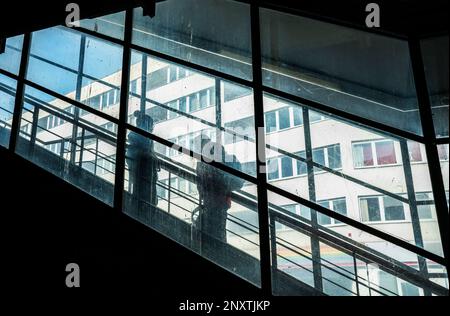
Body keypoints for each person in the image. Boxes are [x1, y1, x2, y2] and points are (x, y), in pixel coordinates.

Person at [193, 134, 232, 244]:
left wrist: (203, 194)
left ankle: (215, 250)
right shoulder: (217, 152)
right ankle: (218, 250)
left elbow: (201, 180)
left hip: (213, 200)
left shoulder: (205, 159)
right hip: (220, 200)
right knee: (218, 230)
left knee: (212, 230)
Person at [126, 110, 160, 212]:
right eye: (150, 124)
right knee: (142, 195)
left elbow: (150, 152)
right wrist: (151, 157)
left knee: (150, 197)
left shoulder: (147, 138)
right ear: (144, 124)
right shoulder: (134, 136)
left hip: (148, 172)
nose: (151, 127)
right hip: (141, 171)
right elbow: (138, 152)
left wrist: (155, 158)